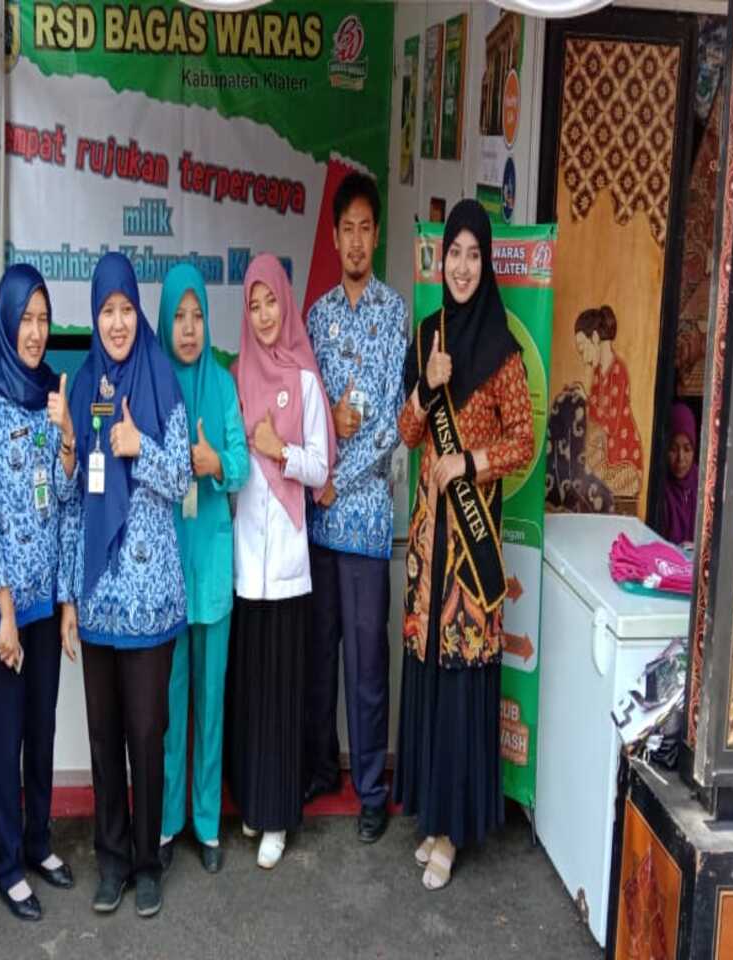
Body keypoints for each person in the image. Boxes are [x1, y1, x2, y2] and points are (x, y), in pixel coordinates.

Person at [394, 199, 534, 892]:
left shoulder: (503, 349)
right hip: (429, 550)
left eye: (475, 255)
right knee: (429, 676)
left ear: (486, 263)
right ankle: (432, 814)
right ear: (441, 258)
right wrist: (427, 387)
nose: (463, 266)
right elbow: (407, 434)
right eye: (455, 253)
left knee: (460, 685)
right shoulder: (427, 337)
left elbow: (523, 441)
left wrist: (470, 462)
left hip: (472, 558)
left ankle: (451, 833)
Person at [67, 252, 190, 918]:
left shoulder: (161, 378)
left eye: (125, 310)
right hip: (97, 597)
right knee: (103, 734)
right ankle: (111, 860)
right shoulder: (85, 384)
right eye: (106, 311)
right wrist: (69, 596)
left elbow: (182, 480)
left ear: (138, 312)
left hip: (150, 597)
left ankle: (147, 861)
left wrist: (139, 447)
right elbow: (70, 500)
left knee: (146, 732)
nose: (117, 323)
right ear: (95, 317)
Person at [0, 264, 80, 923]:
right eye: (25, 319)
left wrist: (66, 438)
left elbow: (61, 500)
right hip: (4, 611)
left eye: (43, 319)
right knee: (5, 740)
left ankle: (39, 843)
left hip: (43, 602)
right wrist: (3, 614)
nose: (35, 332)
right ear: (6, 323)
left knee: (42, 728)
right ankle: (8, 866)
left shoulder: (47, 395)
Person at [302, 171, 408, 843]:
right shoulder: (315, 317)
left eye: (367, 228)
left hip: (365, 518)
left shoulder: (395, 313)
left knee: (367, 664)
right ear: (335, 236)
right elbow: (307, 406)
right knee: (320, 658)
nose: (358, 240)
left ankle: (371, 789)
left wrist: (340, 474)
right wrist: (326, 444)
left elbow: (395, 419)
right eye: (348, 229)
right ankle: (320, 768)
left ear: (376, 236)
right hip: (319, 520)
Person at [228, 253, 334, 870]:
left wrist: (279, 449)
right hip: (245, 566)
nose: (265, 314)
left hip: (290, 568)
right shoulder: (237, 378)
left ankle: (278, 818)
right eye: (255, 304)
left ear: (286, 303)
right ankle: (253, 801)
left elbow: (321, 467)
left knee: (283, 697)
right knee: (251, 694)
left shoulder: (306, 379)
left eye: (272, 301)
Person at [157, 264, 250, 875]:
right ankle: (168, 822)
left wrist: (216, 462)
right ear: (165, 320)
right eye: (179, 317)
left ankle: (208, 824)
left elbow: (242, 465)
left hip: (213, 569)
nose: (189, 329)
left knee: (210, 704)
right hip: (165, 572)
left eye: (197, 316)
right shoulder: (153, 381)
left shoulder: (221, 384)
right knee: (169, 709)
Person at [574, 305, 643, 501]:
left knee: (592, 485)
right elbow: (594, 420)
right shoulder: (598, 373)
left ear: (595, 338)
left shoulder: (618, 371)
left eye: (583, 348)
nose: (584, 357)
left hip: (625, 465)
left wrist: (586, 401)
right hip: (606, 462)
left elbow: (611, 425)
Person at [659, 402, 698, 547]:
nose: (680, 458)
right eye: (673, 449)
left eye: (687, 449)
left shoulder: (703, 486)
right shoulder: (659, 489)